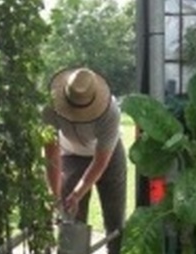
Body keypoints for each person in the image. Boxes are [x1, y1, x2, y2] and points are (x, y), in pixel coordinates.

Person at [42, 67, 126, 254]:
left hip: (109, 157)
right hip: (70, 154)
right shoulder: (50, 108)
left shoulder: (110, 112)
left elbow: (100, 161)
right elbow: (51, 156)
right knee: (72, 217)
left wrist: (78, 192)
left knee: (115, 219)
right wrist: (55, 195)